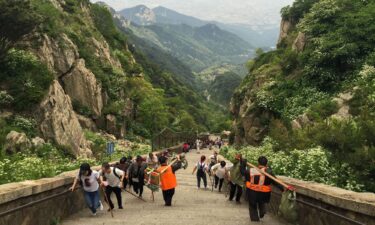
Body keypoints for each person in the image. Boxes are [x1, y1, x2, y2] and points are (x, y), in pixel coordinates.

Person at [241, 156, 293, 221]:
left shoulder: (251, 170)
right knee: (261, 202)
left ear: (258, 162)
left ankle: (255, 219)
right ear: (266, 163)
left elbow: (243, 172)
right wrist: (283, 189)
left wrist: (242, 164)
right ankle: (262, 211)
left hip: (252, 192)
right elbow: (275, 182)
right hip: (264, 193)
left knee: (252, 205)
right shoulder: (269, 172)